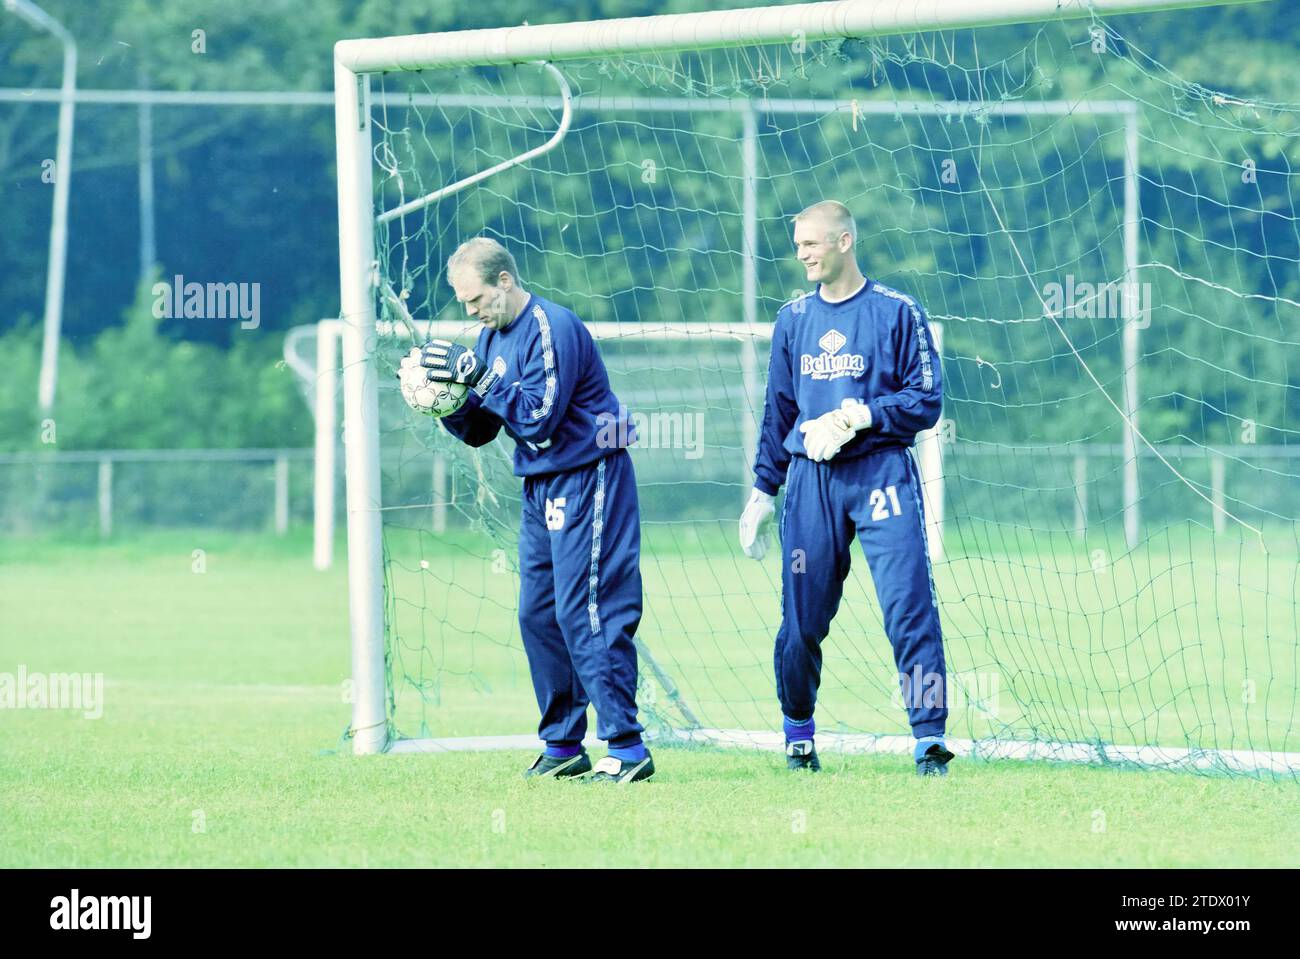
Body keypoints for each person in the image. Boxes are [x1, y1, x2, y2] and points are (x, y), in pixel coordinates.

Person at [404, 236, 653, 784]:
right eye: (463, 302)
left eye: (476, 299)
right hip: (540, 485)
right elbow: (480, 431)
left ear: (505, 281)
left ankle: (628, 747)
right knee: (537, 613)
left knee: (585, 610)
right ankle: (563, 745)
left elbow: (539, 417)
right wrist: (443, 401)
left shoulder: (550, 327)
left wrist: (481, 378)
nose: (470, 311)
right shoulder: (491, 337)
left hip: (590, 473)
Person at [738, 201, 954, 776]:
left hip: (881, 474)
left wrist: (863, 416)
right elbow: (779, 410)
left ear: (844, 241)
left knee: (908, 606)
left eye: (811, 243)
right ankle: (799, 734)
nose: (802, 254)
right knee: (801, 620)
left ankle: (928, 737)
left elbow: (927, 401)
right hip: (812, 484)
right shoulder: (792, 319)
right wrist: (763, 490)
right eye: (797, 245)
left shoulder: (897, 312)